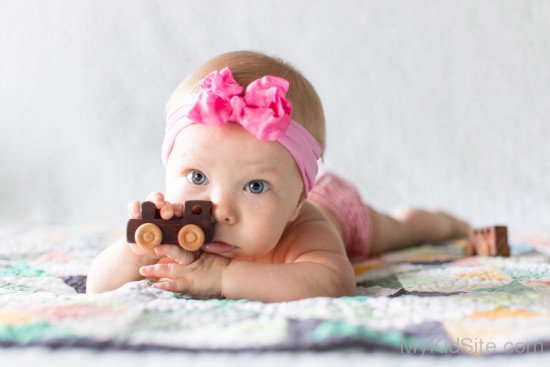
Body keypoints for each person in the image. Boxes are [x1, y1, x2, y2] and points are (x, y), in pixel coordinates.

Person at [86, 50, 470, 301]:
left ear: (294, 203)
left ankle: (438, 221)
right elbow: (97, 286)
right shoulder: (172, 223)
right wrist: (132, 252)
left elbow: (333, 282)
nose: (219, 209)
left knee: (396, 230)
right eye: (197, 177)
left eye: (255, 186)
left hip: (340, 208)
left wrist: (222, 279)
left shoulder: (307, 229)